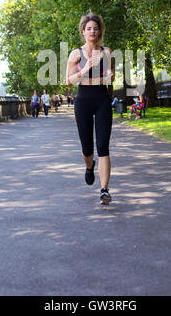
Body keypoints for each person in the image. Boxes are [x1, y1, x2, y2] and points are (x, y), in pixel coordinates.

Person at [66, 12, 115, 205]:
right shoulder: (76, 54)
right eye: (89, 29)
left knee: (103, 146)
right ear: (83, 32)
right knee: (87, 148)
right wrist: (85, 69)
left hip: (102, 99)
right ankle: (89, 167)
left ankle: (104, 190)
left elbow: (110, 75)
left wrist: (110, 76)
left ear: (100, 31)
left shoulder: (106, 51)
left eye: (95, 28)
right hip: (83, 101)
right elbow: (68, 81)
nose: (92, 31)